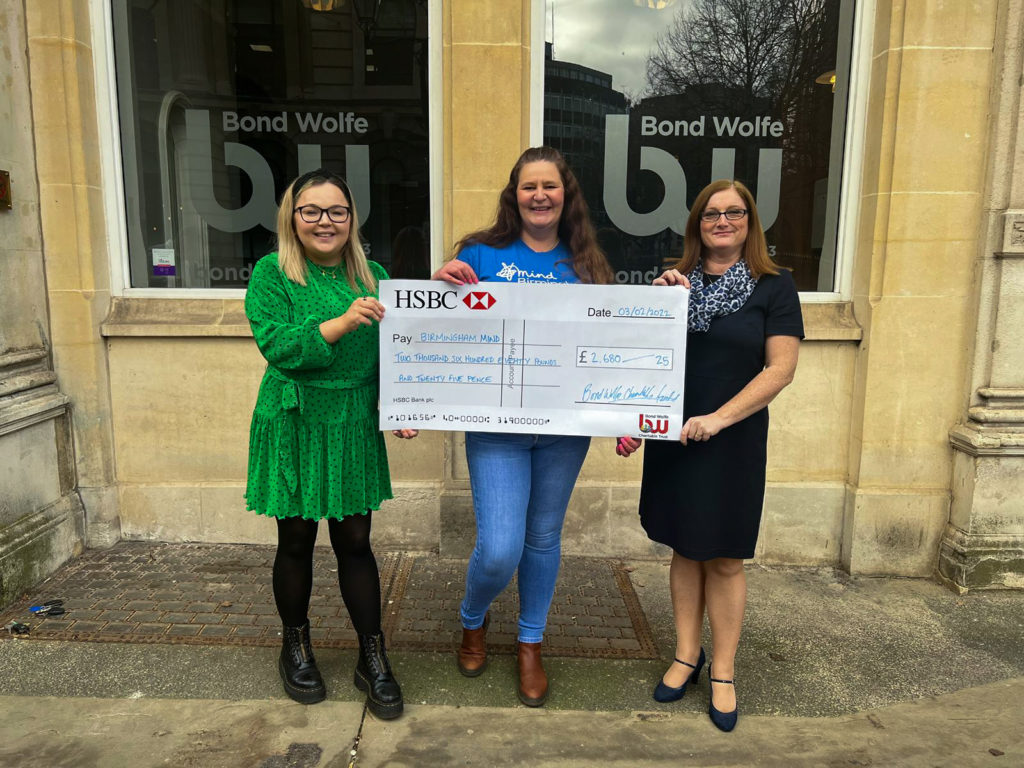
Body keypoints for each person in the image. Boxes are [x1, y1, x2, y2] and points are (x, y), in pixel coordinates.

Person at [617, 179, 803, 732]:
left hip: (733, 438)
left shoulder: (775, 286)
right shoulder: (676, 285)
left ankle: (722, 670)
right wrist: (657, 304)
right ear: (697, 223)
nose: (722, 222)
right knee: (684, 548)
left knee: (723, 556)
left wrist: (719, 419)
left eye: (734, 213)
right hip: (674, 435)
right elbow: (644, 359)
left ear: (750, 222)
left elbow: (780, 370)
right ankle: (684, 654)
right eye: (711, 214)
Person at [433, 146, 614, 706]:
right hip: (496, 429)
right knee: (499, 547)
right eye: (529, 186)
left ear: (566, 195)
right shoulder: (480, 255)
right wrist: (439, 287)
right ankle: (472, 617)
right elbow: (437, 331)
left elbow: (606, 349)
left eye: (550, 187)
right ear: (514, 194)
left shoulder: (586, 264)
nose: (539, 196)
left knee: (542, 539)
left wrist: (626, 415)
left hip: (563, 431)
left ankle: (531, 642)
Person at [244, 168, 417, 718]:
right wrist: (340, 323)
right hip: (295, 417)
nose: (325, 222)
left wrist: (405, 404)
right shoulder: (273, 273)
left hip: (351, 421)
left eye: (336, 211)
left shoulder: (375, 275)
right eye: (311, 211)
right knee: (295, 540)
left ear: (351, 219)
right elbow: (277, 344)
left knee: (356, 543)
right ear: (292, 218)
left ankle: (372, 655)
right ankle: (295, 645)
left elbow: (399, 353)